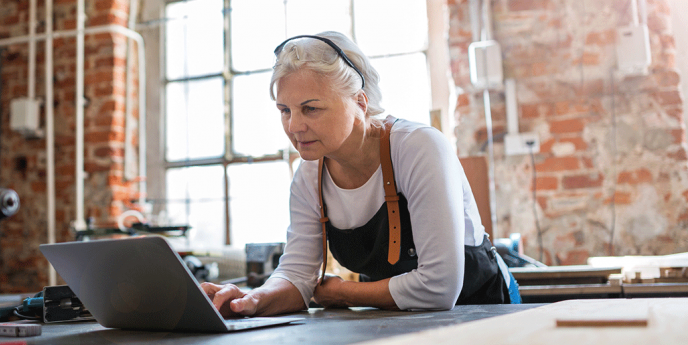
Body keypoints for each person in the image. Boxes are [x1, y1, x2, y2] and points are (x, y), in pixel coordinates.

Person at [200, 31, 520, 318]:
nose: (294, 126)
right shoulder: (309, 175)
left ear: (360, 102)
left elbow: (439, 288)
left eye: (311, 108)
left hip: (484, 315)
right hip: (396, 324)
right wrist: (252, 300)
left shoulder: (419, 148)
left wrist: (342, 293)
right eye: (285, 110)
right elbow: (297, 276)